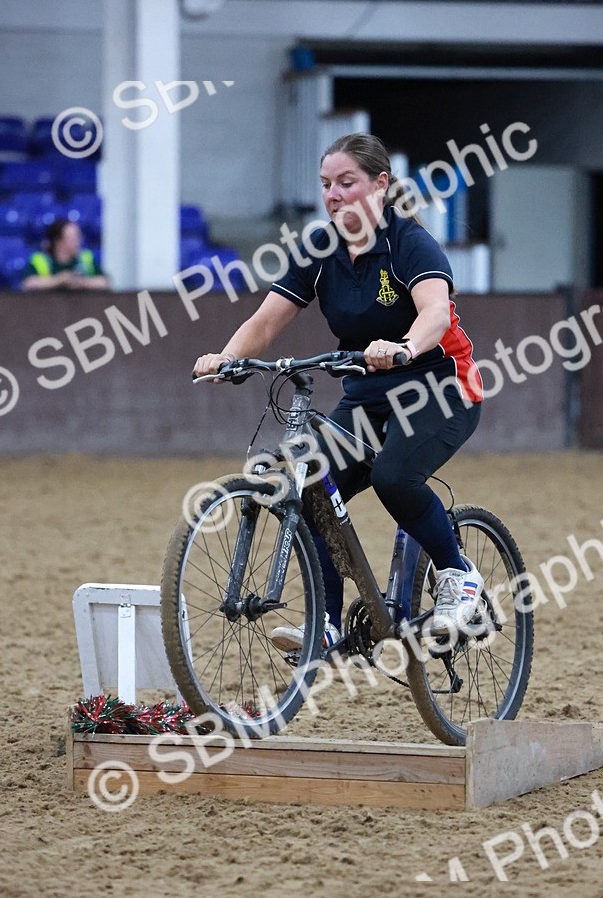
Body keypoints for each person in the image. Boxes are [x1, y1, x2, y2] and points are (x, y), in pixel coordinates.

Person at [193, 132, 485, 654]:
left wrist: (404, 347)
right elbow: (266, 321)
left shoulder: (408, 242)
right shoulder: (319, 249)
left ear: (380, 184)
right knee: (310, 486)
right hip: (370, 394)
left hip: (440, 387)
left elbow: (436, 314)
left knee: (395, 476)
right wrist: (227, 357)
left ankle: (458, 575)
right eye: (326, 184)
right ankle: (326, 624)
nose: (333, 195)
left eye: (347, 183)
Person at [21, 219, 109, 291]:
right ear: (57, 241)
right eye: (72, 238)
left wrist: (81, 282)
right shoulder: (40, 260)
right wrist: (59, 280)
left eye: (78, 237)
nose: (78, 242)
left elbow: (104, 282)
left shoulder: (86, 258)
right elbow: (28, 284)